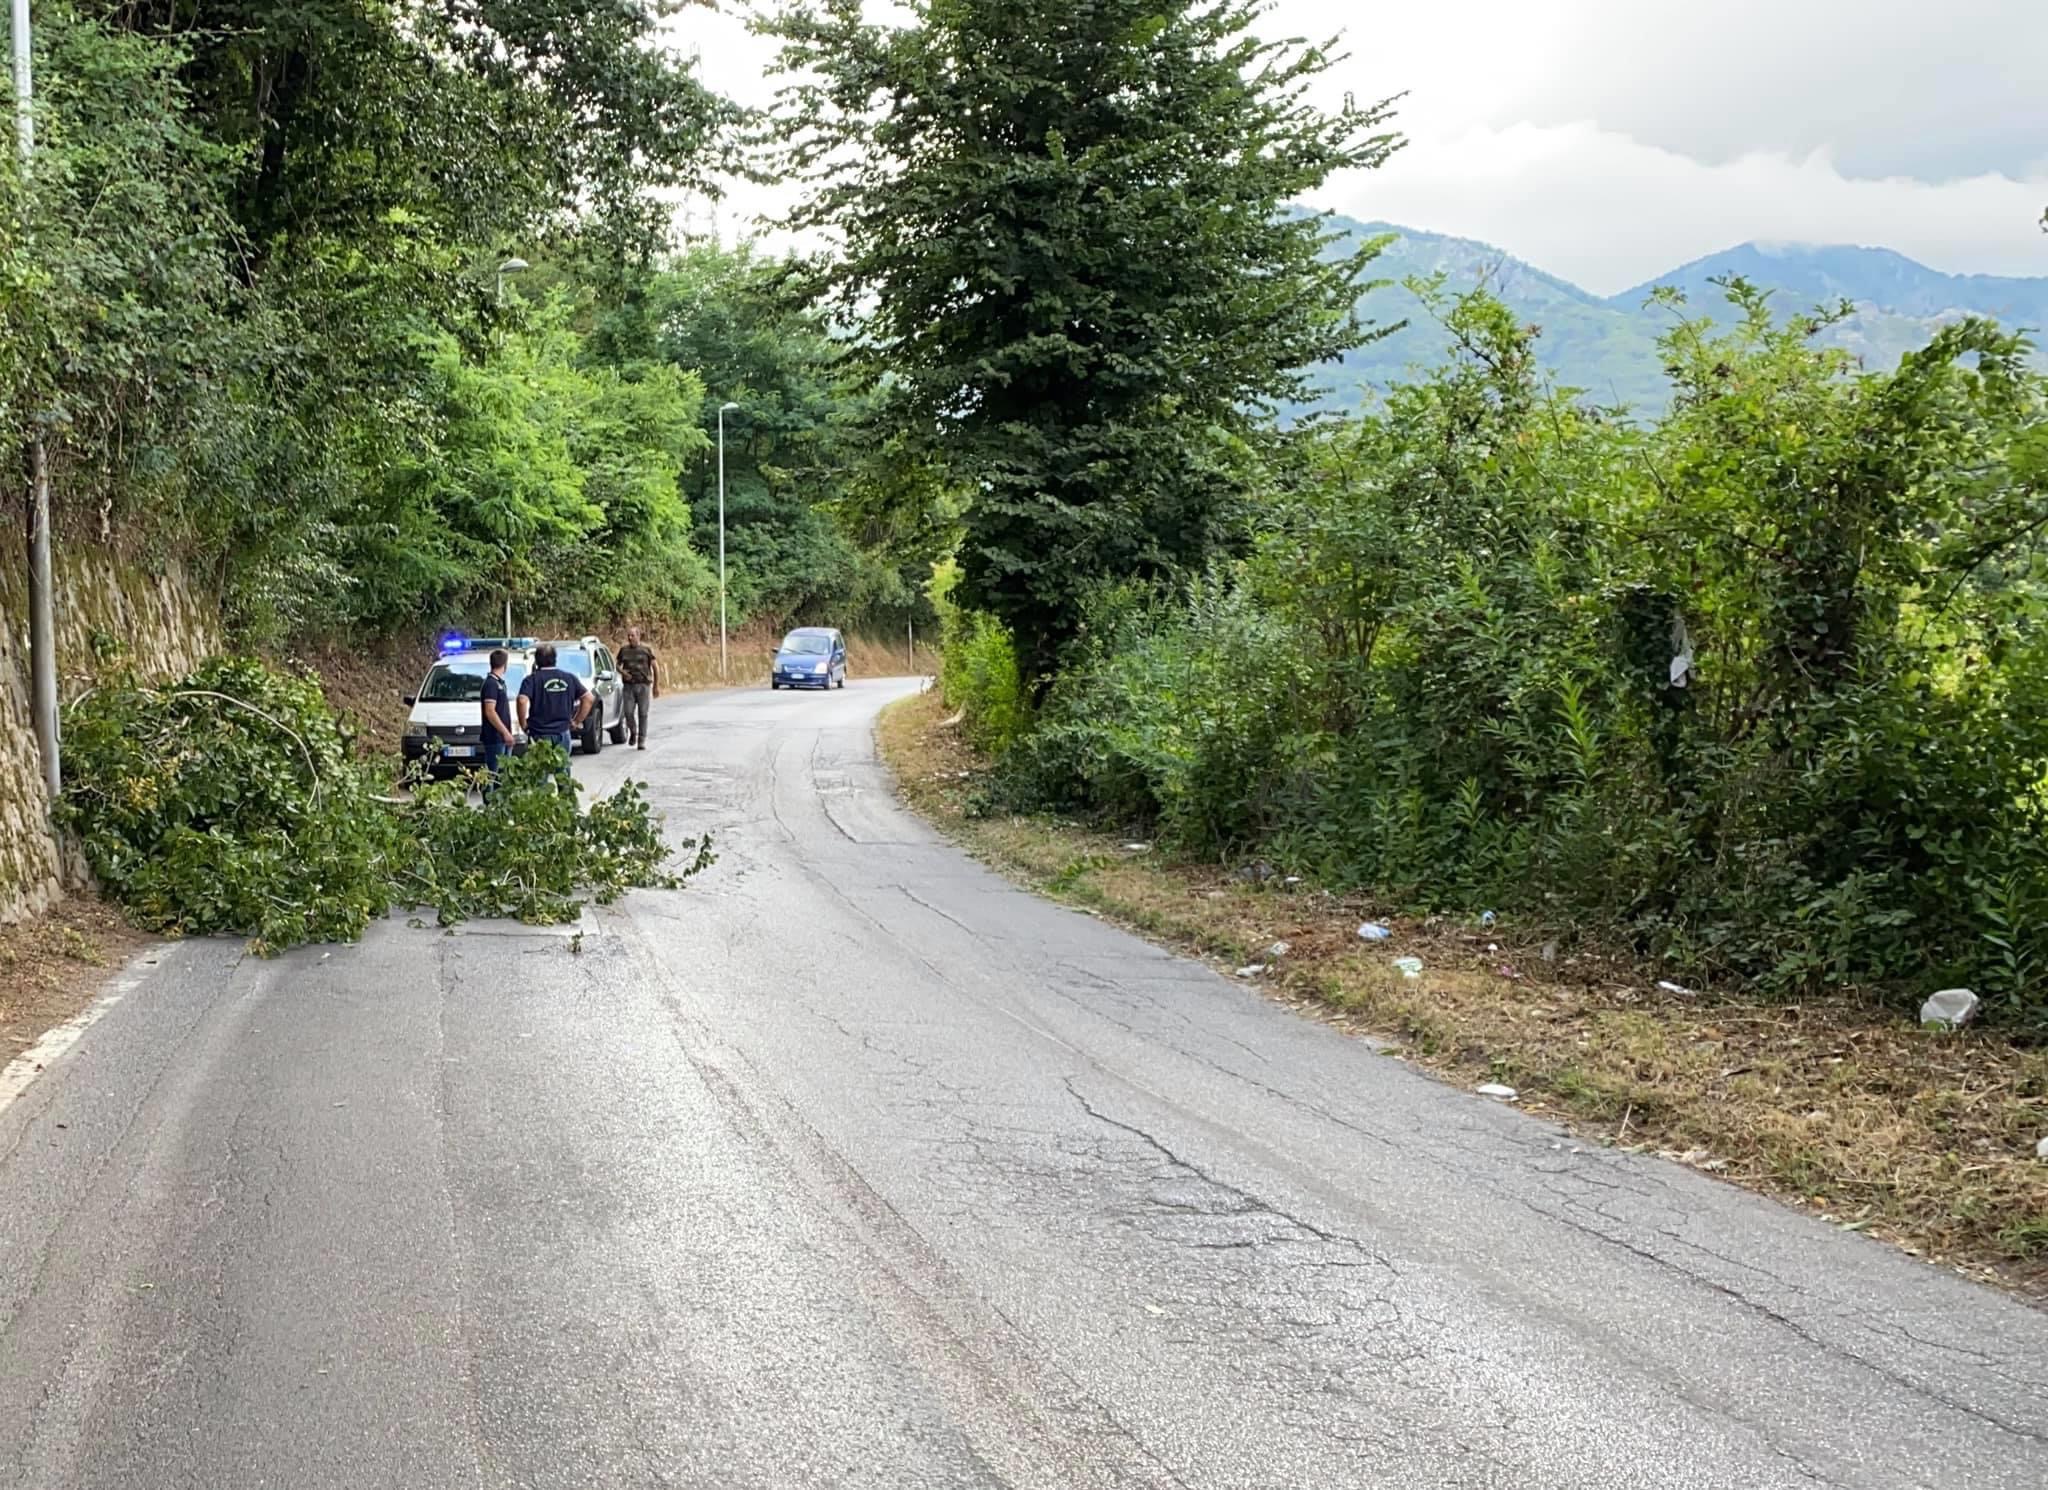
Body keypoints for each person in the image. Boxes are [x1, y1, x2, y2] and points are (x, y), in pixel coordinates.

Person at [516, 643, 592, 774]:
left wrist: (523, 723)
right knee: (563, 775)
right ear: (555, 659)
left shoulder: (532, 680)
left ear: (536, 660)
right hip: (562, 733)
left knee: (539, 776)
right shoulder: (569, 678)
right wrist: (576, 721)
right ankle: (565, 795)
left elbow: (522, 700)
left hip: (539, 734)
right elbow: (589, 698)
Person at [479, 648, 517, 791]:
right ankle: (489, 805)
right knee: (492, 774)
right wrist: (505, 733)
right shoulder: (491, 684)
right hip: (495, 738)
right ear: (505, 665)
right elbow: (490, 711)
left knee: (502, 776)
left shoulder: (499, 683)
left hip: (501, 737)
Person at [616, 627, 658, 750]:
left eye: (632, 635)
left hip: (644, 686)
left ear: (638, 636)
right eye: (628, 635)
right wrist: (623, 673)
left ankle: (641, 739)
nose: (630, 638)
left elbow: (655, 667)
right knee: (628, 712)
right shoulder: (624, 650)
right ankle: (633, 731)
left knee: (643, 713)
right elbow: (617, 666)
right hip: (628, 686)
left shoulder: (646, 650)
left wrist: (656, 686)